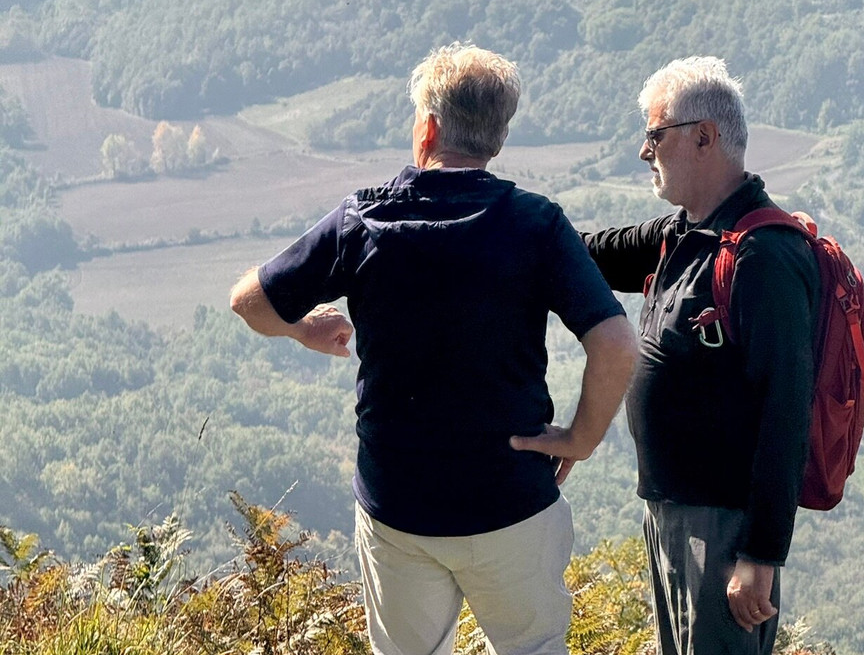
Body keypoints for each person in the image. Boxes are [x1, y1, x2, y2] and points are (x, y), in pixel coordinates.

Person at [229, 43, 638, 655]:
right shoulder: (536, 224)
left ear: (427, 128)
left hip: (400, 504)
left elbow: (250, 301)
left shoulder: (363, 220)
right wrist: (580, 439)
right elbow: (616, 341)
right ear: (497, 139)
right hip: (511, 496)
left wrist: (302, 328)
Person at [580, 57, 818, 655]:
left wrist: (761, 555)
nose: (644, 151)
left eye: (654, 134)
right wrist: (503, 220)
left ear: (704, 137)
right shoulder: (685, 235)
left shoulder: (763, 257)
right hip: (673, 512)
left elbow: (787, 411)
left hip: (723, 528)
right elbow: (582, 255)